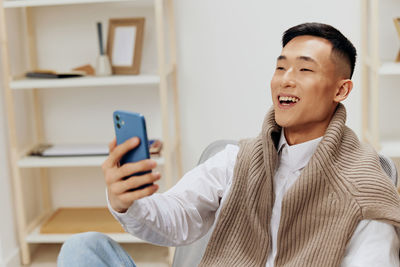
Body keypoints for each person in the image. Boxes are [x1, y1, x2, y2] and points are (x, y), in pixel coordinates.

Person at [58, 23, 400, 267]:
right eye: (280, 67)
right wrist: (127, 202)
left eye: (304, 70)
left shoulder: (364, 187)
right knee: (82, 248)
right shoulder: (239, 159)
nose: (286, 79)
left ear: (341, 91)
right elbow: (176, 217)